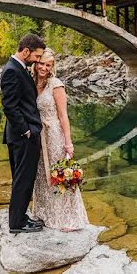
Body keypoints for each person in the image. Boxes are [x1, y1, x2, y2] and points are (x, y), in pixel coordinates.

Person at [31, 49, 89, 231]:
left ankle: (68, 219)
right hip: (38, 136)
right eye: (42, 63)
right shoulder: (31, 82)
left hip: (54, 134)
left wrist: (68, 143)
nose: (44, 68)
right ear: (36, 62)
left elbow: (64, 116)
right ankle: (45, 214)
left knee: (60, 174)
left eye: (48, 65)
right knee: (41, 175)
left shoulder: (56, 84)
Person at [0, 34, 46, 234]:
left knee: (24, 178)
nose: (38, 60)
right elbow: (9, 107)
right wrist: (26, 131)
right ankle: (17, 224)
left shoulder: (19, 68)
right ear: (26, 51)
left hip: (22, 135)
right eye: (36, 56)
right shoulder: (12, 70)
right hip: (22, 136)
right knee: (22, 179)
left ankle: (20, 216)